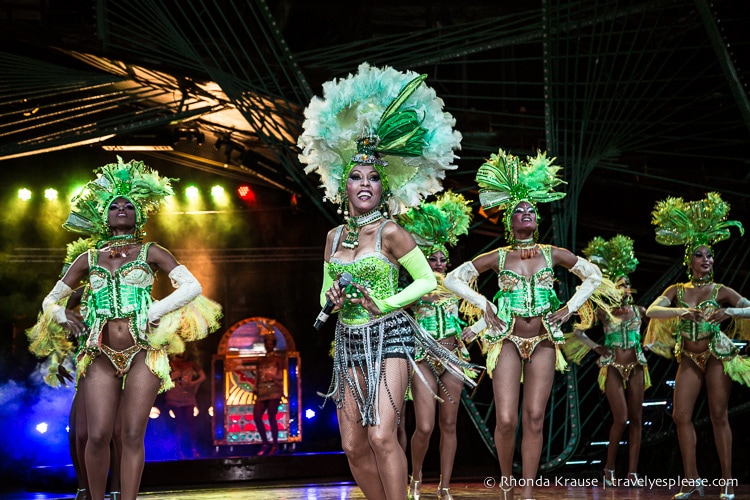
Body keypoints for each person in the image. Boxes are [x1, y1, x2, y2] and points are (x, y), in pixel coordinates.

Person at [298, 63, 475, 500]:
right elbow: (323, 293)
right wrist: (333, 296)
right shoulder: (333, 237)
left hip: (390, 337)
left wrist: (388, 302)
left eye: (373, 177)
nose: (364, 183)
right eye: (356, 176)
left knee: (381, 437)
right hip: (347, 339)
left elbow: (424, 282)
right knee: (353, 445)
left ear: (384, 187)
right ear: (343, 186)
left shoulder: (392, 232)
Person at [26, 157, 223, 500]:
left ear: (138, 215)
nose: (121, 209)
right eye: (114, 205)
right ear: (104, 216)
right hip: (99, 350)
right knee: (98, 435)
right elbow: (49, 301)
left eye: (127, 205)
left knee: (132, 435)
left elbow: (191, 287)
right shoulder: (87, 258)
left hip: (143, 349)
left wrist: (156, 309)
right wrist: (61, 316)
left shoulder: (151, 251)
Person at [444, 149, 608, 500]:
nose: (526, 212)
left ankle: (529, 490)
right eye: (519, 210)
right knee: (506, 419)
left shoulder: (553, 253)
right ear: (510, 222)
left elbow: (593, 276)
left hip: (545, 340)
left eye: (531, 209)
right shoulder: (499, 257)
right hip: (506, 339)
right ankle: (506, 481)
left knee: (534, 417)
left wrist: (569, 308)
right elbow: (454, 280)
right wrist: (483, 303)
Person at [644, 192, 750, 500]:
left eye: (710, 256)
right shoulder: (677, 290)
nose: (707, 260)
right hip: (689, 357)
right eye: (701, 255)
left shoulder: (721, 290)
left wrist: (730, 311)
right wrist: (681, 311)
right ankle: (691, 480)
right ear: (689, 259)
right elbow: (651, 310)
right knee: (680, 416)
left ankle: (727, 481)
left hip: (716, 354)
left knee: (719, 415)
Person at [398, 191, 476, 500]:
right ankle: (415, 477)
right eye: (434, 259)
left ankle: (444, 486)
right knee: (426, 426)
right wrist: (420, 295)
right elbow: (397, 308)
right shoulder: (417, 286)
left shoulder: (457, 285)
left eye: (444, 259)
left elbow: (487, 307)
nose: (441, 263)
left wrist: (474, 329)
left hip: (453, 356)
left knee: (449, 424)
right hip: (422, 356)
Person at [563, 235, 649, 486]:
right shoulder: (603, 311)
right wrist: (596, 347)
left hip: (637, 366)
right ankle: (609, 468)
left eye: (626, 285)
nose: (623, 289)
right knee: (620, 418)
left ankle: (632, 473)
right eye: (618, 285)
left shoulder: (641, 311)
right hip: (612, 364)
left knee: (637, 420)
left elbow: (660, 329)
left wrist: (651, 345)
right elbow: (578, 331)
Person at [166, 349, 206, 459]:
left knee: (191, 422)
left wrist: (193, 383)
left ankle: (194, 449)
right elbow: (163, 379)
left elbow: (203, 376)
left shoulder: (190, 364)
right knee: (179, 423)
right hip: (175, 395)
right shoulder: (170, 364)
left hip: (188, 396)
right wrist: (174, 376)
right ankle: (178, 450)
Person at [253, 322, 285, 456]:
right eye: (266, 342)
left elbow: (281, 376)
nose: (268, 345)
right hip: (261, 391)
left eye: (271, 343)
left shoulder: (278, 359)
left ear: (274, 344)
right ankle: (265, 442)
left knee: (272, 416)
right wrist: (255, 386)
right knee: (256, 416)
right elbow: (257, 375)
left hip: (274, 390)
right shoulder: (261, 360)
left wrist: (274, 376)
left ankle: (275, 445)